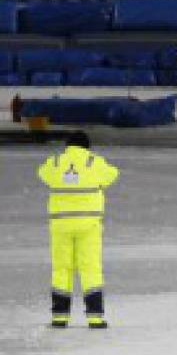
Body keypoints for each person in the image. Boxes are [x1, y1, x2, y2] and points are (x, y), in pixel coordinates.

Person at [37, 132, 120, 329]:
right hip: (88, 224)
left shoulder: (55, 162)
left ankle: (59, 317)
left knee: (61, 268)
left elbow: (42, 174)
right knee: (90, 267)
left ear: (68, 146)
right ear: (87, 147)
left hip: (61, 224)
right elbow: (113, 175)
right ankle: (95, 317)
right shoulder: (94, 162)